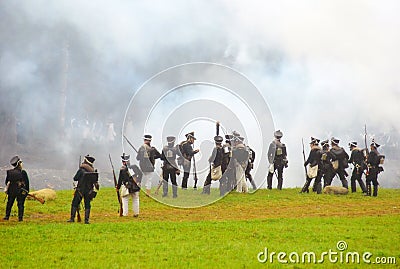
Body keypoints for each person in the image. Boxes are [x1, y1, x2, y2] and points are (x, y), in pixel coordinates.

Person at [67, 155, 99, 224]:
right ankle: (86, 220)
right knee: (87, 204)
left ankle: (72, 218)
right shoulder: (92, 171)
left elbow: (75, 178)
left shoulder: (81, 170)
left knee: (75, 203)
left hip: (80, 190)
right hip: (89, 191)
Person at [3, 156, 29, 221]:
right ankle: (20, 218)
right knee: (20, 204)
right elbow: (27, 183)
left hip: (11, 191)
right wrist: (26, 192)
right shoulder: (23, 172)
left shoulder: (10, 172)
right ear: (19, 163)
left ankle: (7, 216)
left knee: (9, 203)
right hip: (21, 191)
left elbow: (6, 182)